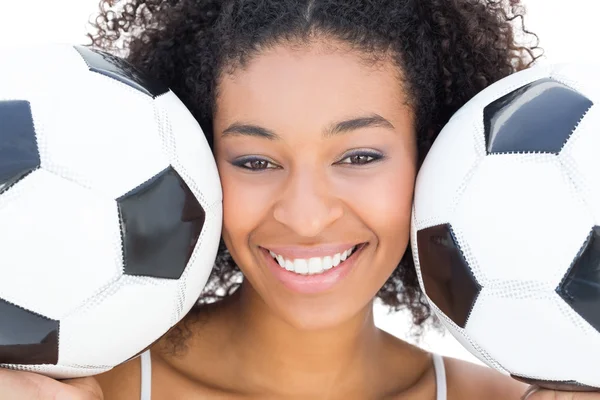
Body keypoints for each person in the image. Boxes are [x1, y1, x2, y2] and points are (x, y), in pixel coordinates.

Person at [0, 1, 596, 399]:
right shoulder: (84, 389)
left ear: (436, 155)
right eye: (255, 162)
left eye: (359, 157)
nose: (306, 216)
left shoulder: (509, 399)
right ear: (194, 166)